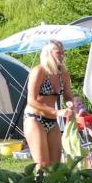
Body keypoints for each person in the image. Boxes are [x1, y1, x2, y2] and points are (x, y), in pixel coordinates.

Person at [23, 41, 75, 170]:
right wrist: (57, 112)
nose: (62, 56)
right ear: (49, 53)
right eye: (58, 53)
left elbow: (68, 96)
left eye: (63, 53)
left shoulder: (63, 74)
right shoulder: (39, 71)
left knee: (56, 165)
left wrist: (71, 104)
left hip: (52, 120)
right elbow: (31, 100)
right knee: (43, 164)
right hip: (35, 118)